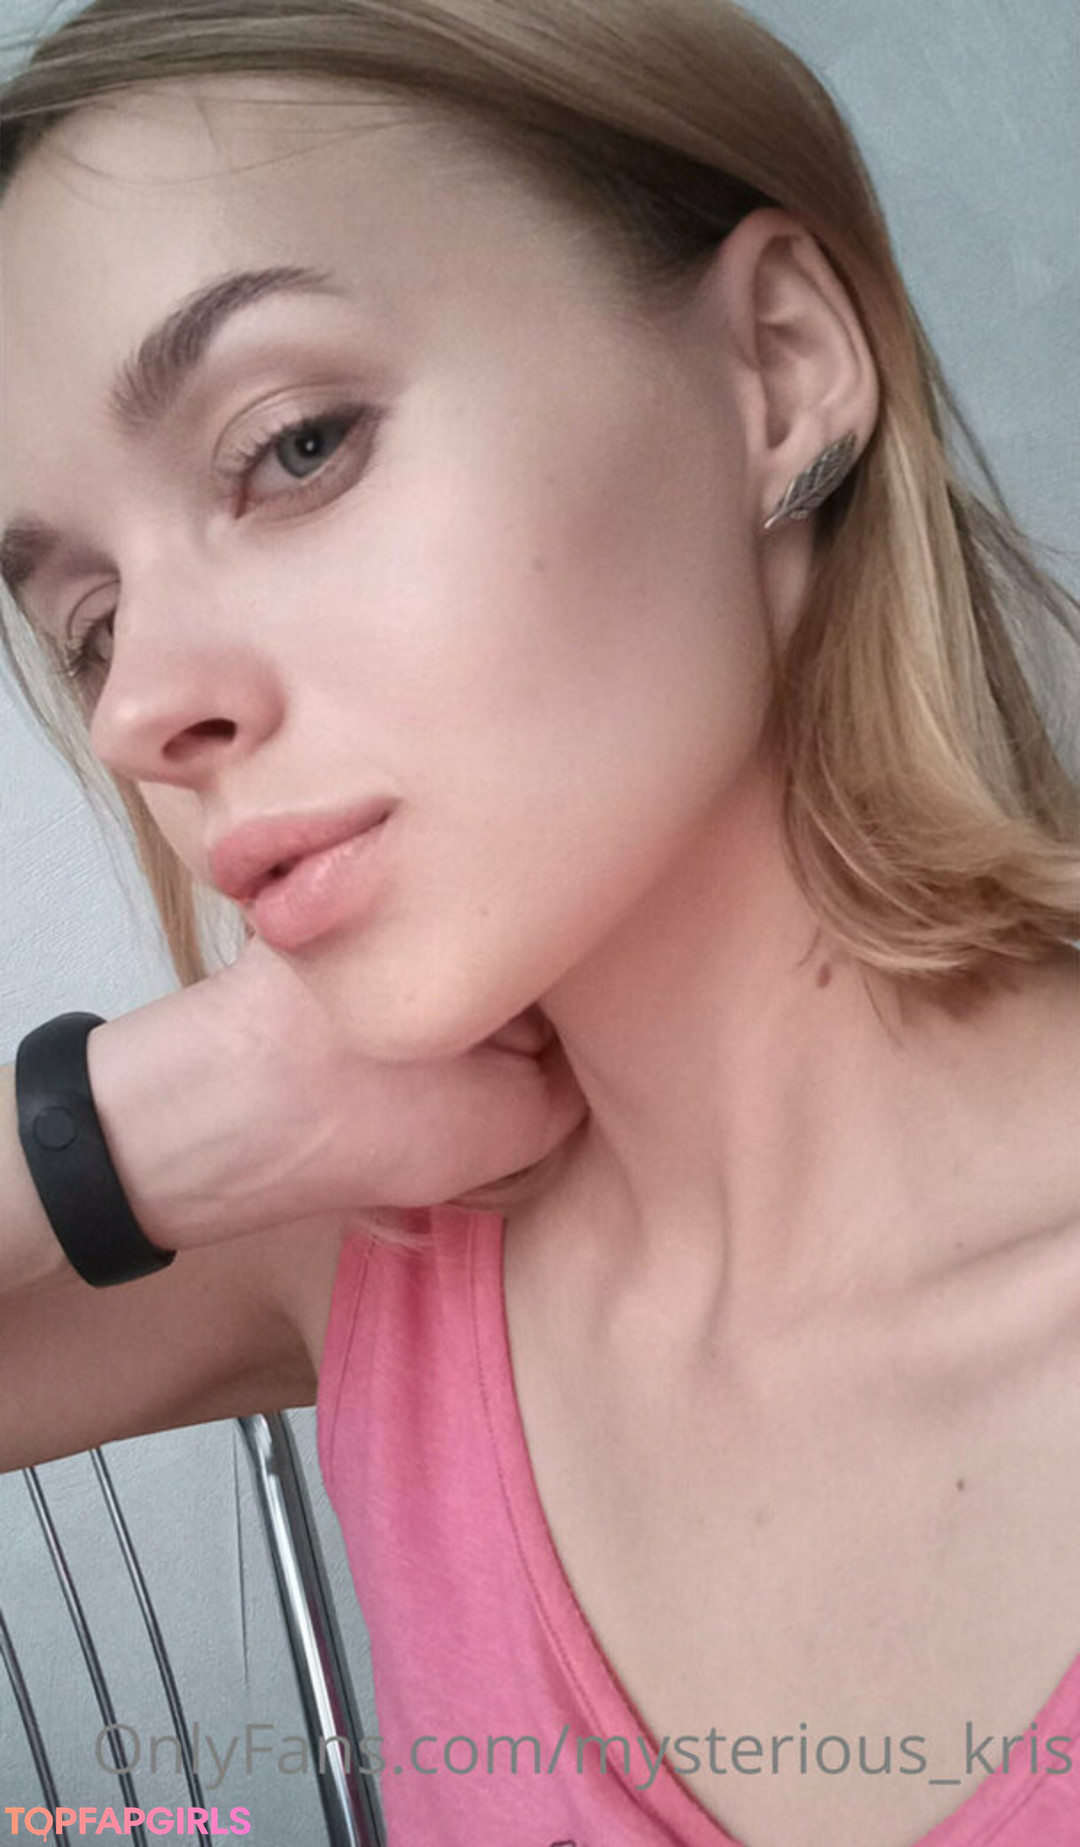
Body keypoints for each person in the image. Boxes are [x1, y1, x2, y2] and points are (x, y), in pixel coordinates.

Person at [1, 2, 1078, 1843]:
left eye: (295, 444)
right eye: (87, 624)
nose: (140, 709)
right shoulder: (363, 1247)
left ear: (777, 368)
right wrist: (128, 1126)